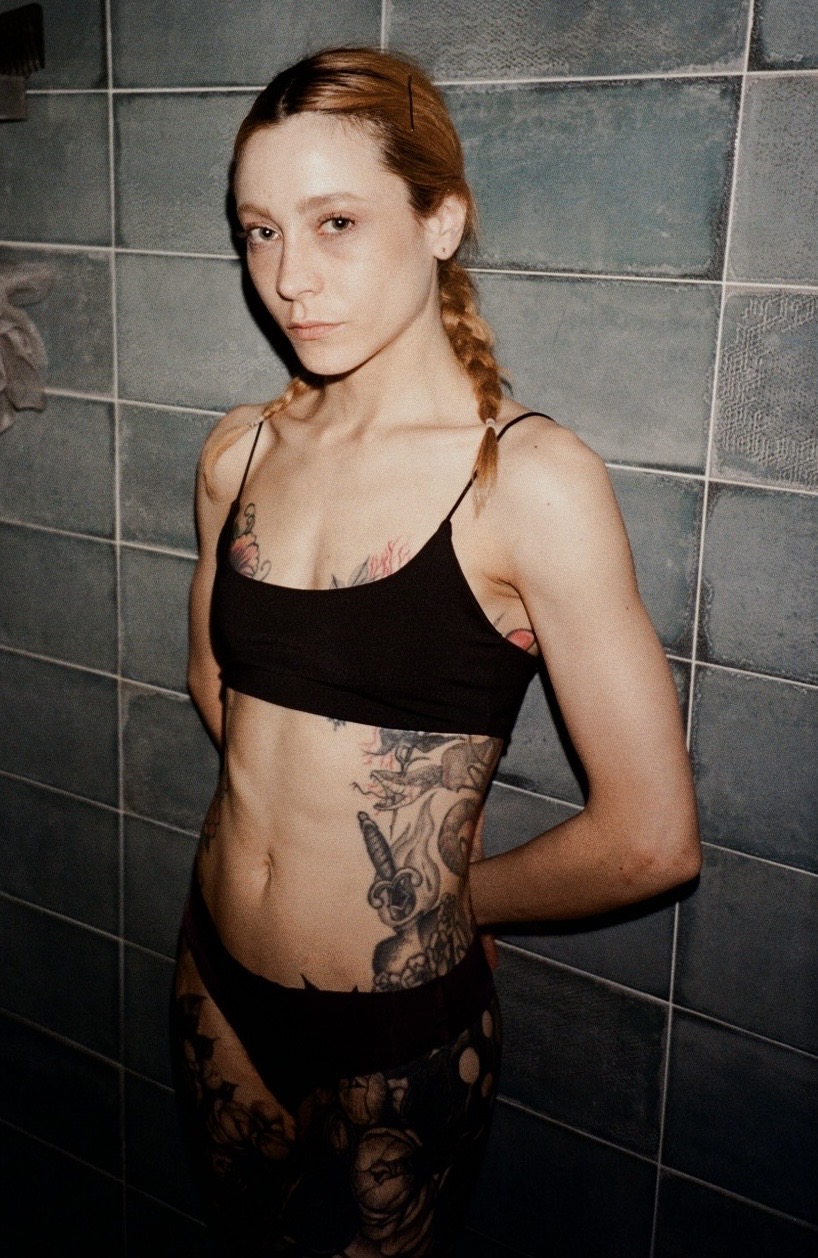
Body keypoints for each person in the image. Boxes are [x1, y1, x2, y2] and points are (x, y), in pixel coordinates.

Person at [173, 46, 701, 1256]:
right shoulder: (239, 452)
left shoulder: (528, 482)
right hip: (214, 976)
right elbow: (216, 680)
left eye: (336, 222)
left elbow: (649, 838)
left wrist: (451, 900)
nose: (288, 278)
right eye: (259, 232)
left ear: (440, 220)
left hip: (401, 1029)